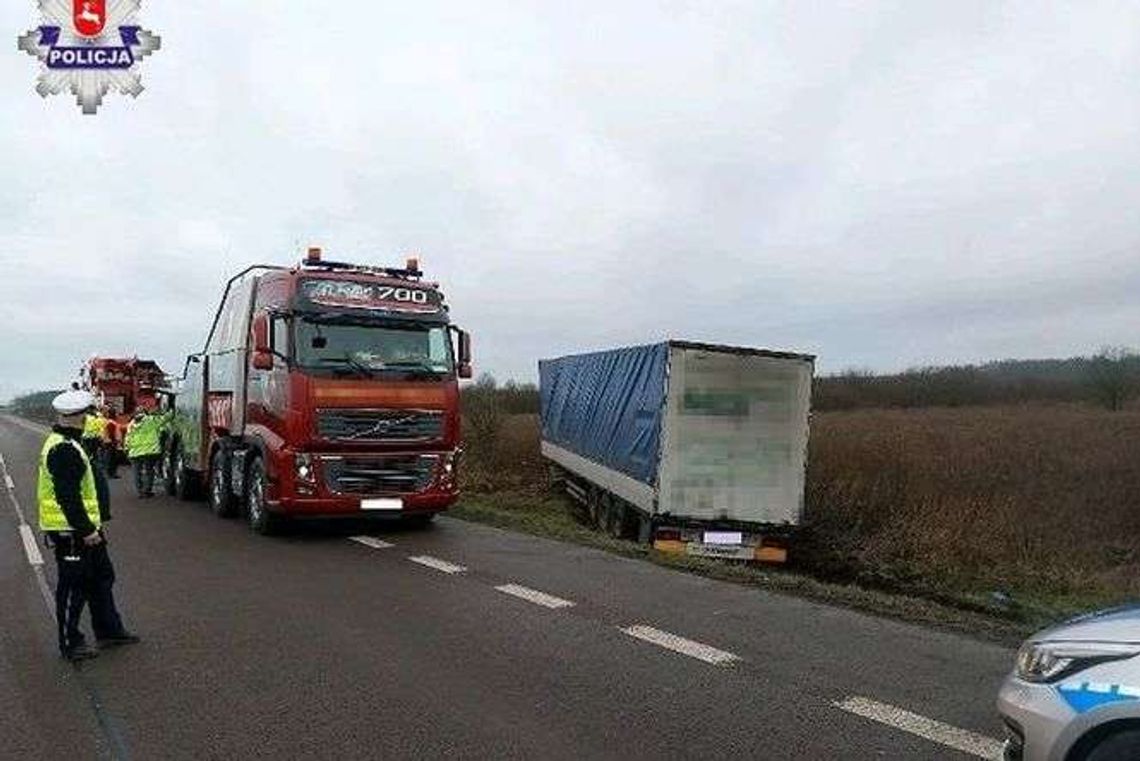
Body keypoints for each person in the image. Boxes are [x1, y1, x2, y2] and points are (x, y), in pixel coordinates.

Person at [39, 389, 140, 661]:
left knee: (101, 578)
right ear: (81, 417)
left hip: (85, 528)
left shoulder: (70, 443)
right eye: (86, 414)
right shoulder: (63, 448)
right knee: (74, 586)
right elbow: (67, 496)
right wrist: (86, 531)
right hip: (72, 531)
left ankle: (109, 630)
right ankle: (70, 642)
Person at [124, 408, 161, 498]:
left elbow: (128, 438)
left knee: (136, 472)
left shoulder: (131, 424)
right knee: (149, 471)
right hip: (150, 451)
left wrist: (126, 449)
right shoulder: (151, 420)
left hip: (134, 452)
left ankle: (140, 491)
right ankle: (147, 491)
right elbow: (165, 419)